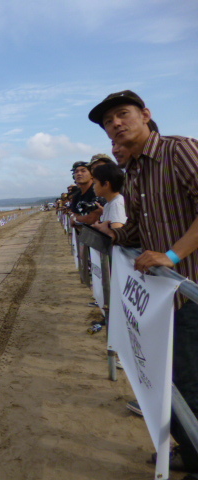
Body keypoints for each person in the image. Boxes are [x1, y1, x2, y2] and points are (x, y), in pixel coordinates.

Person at [89, 89, 198, 474]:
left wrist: (170, 257)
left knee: (188, 381)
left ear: (146, 114)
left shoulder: (179, 150)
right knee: (173, 380)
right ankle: (188, 448)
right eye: (108, 122)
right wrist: (106, 237)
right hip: (165, 298)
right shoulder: (133, 170)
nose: (115, 124)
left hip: (191, 289)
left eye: (122, 115)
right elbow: (134, 229)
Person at [91, 163, 127, 228]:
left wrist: (99, 227)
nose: (93, 187)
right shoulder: (110, 204)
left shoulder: (116, 204)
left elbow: (117, 229)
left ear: (106, 184)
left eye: (95, 183)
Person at [69, 161, 102, 225]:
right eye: (76, 172)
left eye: (83, 171)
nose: (79, 174)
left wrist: (76, 219)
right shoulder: (76, 197)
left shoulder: (97, 192)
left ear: (92, 175)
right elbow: (72, 222)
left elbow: (92, 219)